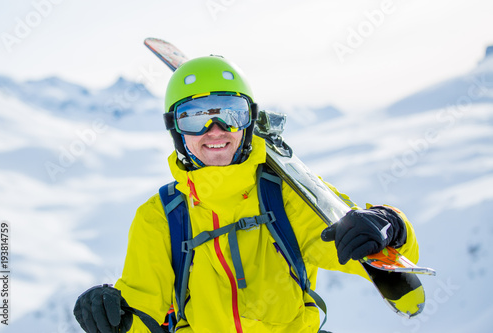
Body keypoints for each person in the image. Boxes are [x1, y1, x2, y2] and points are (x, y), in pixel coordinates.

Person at [73, 55, 419, 333]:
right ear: (175, 130)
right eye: (195, 118)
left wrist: (389, 225)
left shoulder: (285, 195)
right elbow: (143, 316)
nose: (215, 130)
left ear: (249, 120)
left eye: (230, 114)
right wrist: (113, 319)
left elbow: (371, 251)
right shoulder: (160, 217)